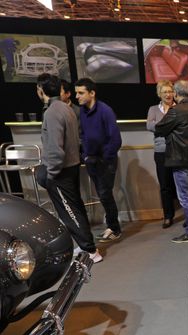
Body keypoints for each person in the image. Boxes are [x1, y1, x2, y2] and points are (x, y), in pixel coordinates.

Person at [35, 75, 101, 263]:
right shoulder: (65, 108)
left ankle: (90, 251)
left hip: (61, 171)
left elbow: (56, 148)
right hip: (69, 167)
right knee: (76, 208)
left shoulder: (53, 112)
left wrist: (51, 174)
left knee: (70, 212)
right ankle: (86, 245)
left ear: (41, 90)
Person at [154, 80, 188, 243]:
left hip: (179, 159)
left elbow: (159, 128)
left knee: (184, 195)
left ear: (176, 94)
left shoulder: (176, 111)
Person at [75, 77, 123, 243]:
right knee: (103, 195)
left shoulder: (105, 111)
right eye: (76, 93)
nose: (77, 96)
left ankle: (114, 228)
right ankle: (113, 226)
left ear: (92, 93)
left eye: (81, 93)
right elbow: (84, 134)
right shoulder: (83, 111)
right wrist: (86, 155)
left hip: (105, 161)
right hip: (91, 160)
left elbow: (116, 139)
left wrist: (105, 157)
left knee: (105, 194)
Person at [146, 80, 177, 228]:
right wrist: (168, 126)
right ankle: (168, 216)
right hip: (160, 152)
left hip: (177, 151)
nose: (168, 94)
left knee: (180, 184)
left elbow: (180, 127)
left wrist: (160, 127)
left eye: (170, 91)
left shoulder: (179, 108)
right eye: (165, 92)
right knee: (165, 185)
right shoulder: (153, 109)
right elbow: (149, 126)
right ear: (160, 94)